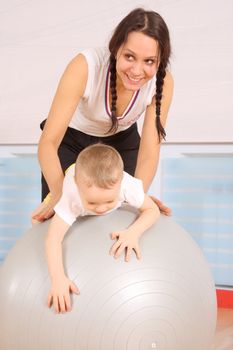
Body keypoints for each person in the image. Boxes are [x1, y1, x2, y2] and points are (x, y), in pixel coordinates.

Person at [32, 7, 174, 223]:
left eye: (149, 61)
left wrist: (135, 197)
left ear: (159, 61)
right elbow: (48, 143)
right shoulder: (86, 66)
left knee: (117, 218)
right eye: (129, 56)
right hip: (70, 142)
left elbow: (148, 154)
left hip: (122, 144)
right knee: (65, 218)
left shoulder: (163, 83)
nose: (137, 71)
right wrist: (62, 196)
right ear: (116, 48)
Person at [44, 144, 160, 313]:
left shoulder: (127, 185)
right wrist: (58, 279)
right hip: (73, 171)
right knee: (40, 220)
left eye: (109, 202)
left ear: (120, 184)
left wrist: (133, 232)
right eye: (91, 202)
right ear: (77, 186)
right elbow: (53, 239)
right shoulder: (71, 195)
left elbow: (152, 210)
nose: (100, 209)